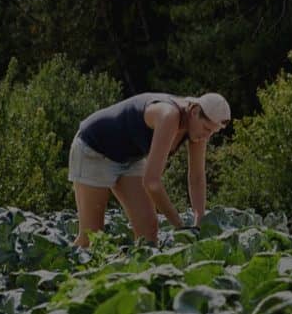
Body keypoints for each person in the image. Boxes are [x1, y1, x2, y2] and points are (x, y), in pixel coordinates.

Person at [68, 92, 231, 247]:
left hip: (130, 157)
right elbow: (152, 182)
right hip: (94, 149)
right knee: (91, 238)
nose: (207, 137)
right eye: (207, 129)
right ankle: (68, 273)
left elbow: (196, 178)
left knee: (148, 229)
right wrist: (180, 226)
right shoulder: (169, 115)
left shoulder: (198, 128)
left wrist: (200, 221)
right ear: (195, 112)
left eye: (213, 132)